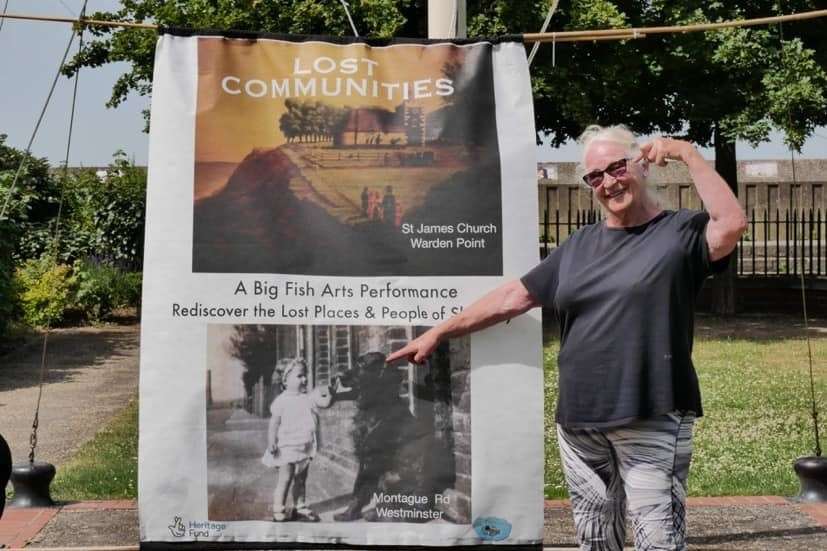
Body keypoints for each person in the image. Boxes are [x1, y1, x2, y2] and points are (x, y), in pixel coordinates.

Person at [387, 125, 747, 551]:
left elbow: (732, 224)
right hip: (580, 420)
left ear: (641, 165)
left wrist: (687, 153)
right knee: (594, 541)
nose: (609, 182)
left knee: (658, 540)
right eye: (595, 176)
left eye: (616, 168)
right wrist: (438, 333)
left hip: (652, 410)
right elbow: (513, 296)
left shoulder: (680, 233)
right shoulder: (579, 245)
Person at [261, 359, 320, 522]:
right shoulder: (281, 400)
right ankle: (278, 508)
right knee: (285, 478)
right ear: (285, 380)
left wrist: (317, 440)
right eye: (300, 376)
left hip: (304, 446)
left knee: (301, 479)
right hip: (286, 447)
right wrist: (271, 440)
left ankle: (299, 507)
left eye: (305, 375)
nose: (305, 379)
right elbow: (274, 423)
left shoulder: (307, 399)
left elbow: (315, 420)